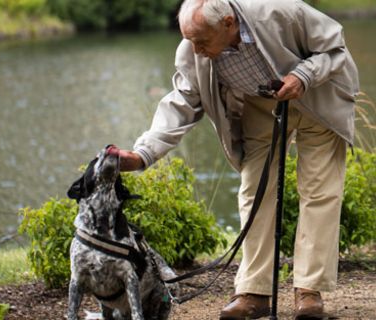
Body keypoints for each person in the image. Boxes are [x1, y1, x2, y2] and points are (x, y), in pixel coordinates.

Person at [116, 0, 359, 318]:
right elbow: (181, 103)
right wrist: (142, 154)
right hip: (264, 105)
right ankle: (254, 292)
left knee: (319, 192)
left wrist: (303, 76)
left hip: (320, 97)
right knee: (253, 192)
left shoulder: (281, 12)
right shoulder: (193, 49)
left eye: (202, 41)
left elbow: (335, 48)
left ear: (229, 23)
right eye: (191, 40)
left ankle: (309, 291)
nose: (196, 50)